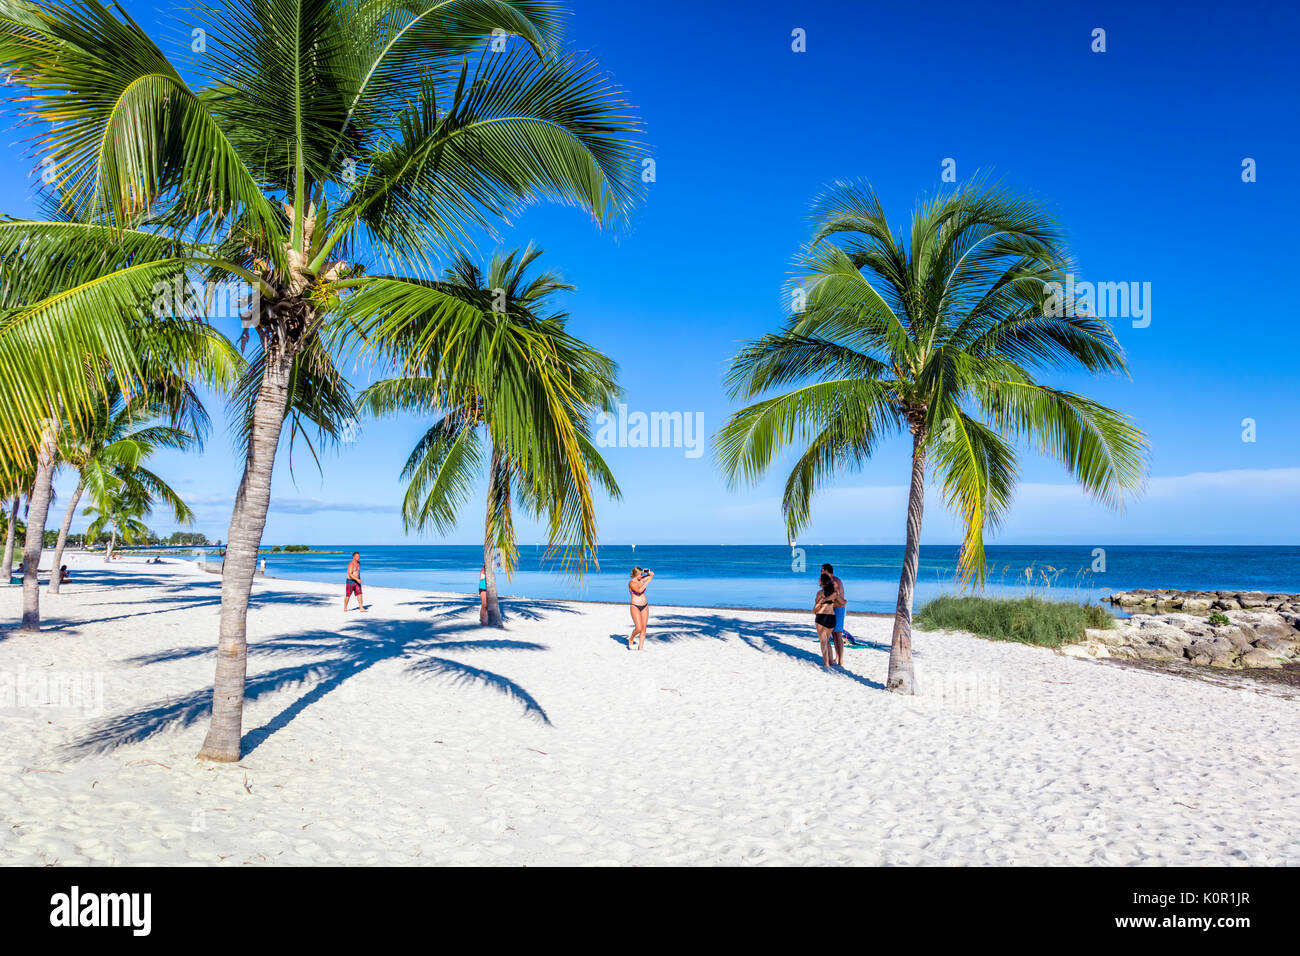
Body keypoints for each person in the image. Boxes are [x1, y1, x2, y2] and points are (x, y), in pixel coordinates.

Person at [822, 562, 850, 655]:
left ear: (827, 571)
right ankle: (836, 657)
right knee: (833, 635)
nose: (821, 572)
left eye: (822, 570)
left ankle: (840, 659)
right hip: (831, 610)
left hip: (838, 610)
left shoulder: (835, 582)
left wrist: (844, 602)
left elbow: (838, 598)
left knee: (837, 635)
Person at [814, 573, 838, 668]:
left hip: (821, 617)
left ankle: (826, 663)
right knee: (827, 640)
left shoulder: (820, 593)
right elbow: (842, 602)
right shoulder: (834, 593)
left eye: (819, 579)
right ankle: (831, 661)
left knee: (823, 641)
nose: (818, 581)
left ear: (822, 582)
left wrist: (821, 602)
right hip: (831, 617)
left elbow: (816, 607)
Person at [627, 567, 654, 650]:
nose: (641, 575)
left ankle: (640, 648)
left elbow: (652, 574)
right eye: (640, 574)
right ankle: (631, 638)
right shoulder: (631, 583)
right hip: (635, 606)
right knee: (639, 628)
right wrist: (647, 582)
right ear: (636, 574)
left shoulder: (641, 580)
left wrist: (646, 571)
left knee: (644, 628)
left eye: (641, 574)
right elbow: (639, 591)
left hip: (645, 606)